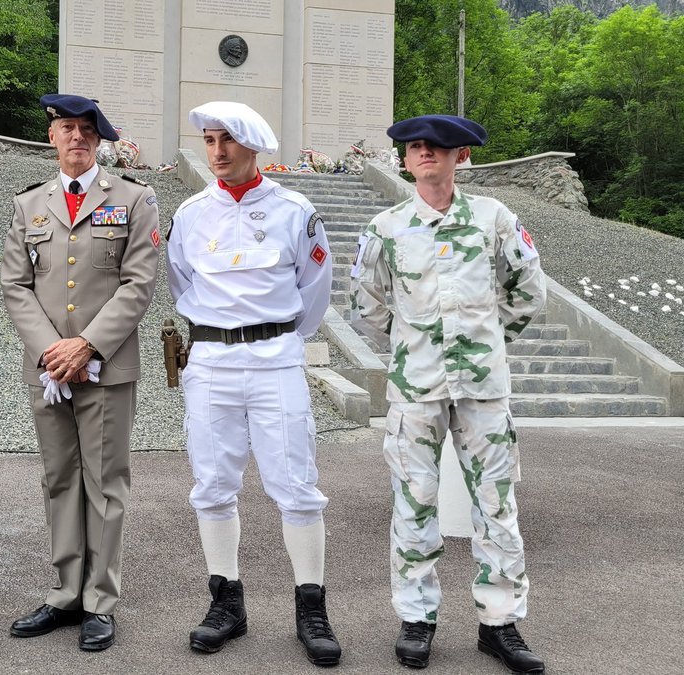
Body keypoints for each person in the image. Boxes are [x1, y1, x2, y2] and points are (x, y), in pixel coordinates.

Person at [350, 114, 547, 674]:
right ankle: (417, 619)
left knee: (497, 505)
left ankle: (500, 624)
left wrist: (486, 344)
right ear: (406, 160)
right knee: (414, 503)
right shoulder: (387, 228)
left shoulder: (494, 218)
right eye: (415, 148)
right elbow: (366, 304)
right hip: (416, 390)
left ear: (461, 156)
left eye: (438, 147)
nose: (425, 154)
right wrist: (414, 347)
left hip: (483, 390)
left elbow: (526, 291)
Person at [165, 101, 340, 666]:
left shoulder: (295, 210)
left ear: (254, 146)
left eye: (228, 142)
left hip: (275, 360)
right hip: (212, 361)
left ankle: (310, 608)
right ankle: (226, 603)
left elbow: (314, 289)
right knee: (212, 484)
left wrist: (275, 336)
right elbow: (181, 280)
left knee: (297, 485)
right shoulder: (191, 214)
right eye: (210, 141)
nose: (217, 152)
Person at [1, 94, 160, 652]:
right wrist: (52, 350)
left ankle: (99, 600)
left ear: (100, 141)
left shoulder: (135, 200)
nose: (75, 138)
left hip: (106, 368)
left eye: (86, 131)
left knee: (104, 483)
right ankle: (66, 591)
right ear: (51, 136)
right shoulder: (30, 204)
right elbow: (15, 285)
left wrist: (86, 345)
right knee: (60, 478)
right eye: (66, 128)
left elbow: (139, 283)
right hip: (48, 370)